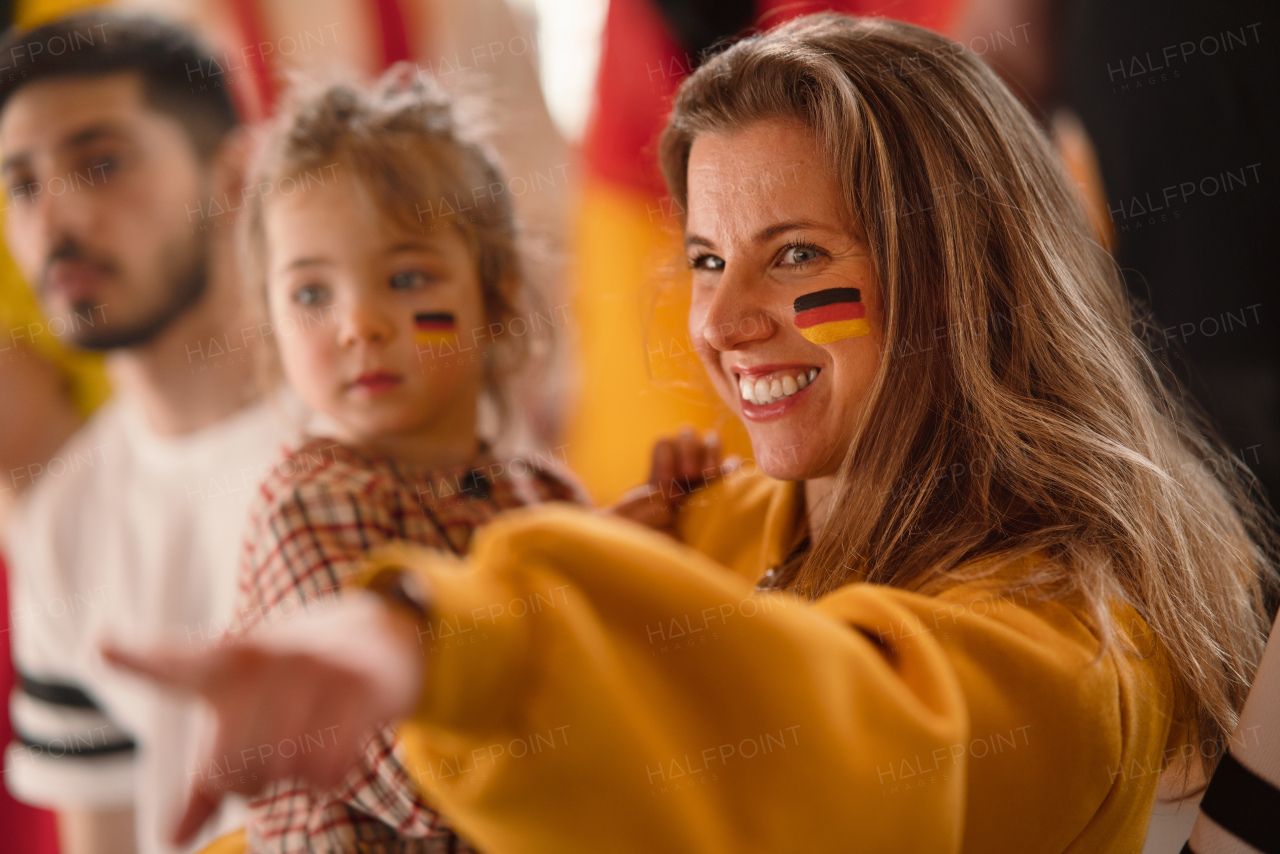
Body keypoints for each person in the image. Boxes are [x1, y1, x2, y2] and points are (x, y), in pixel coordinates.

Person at [108, 13, 1278, 852]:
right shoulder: (712, 517)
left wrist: (430, 647)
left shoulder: (1066, 637)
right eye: (708, 259)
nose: (715, 319)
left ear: (957, 280)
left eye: (797, 257)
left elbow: (811, 728)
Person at [221, 71, 591, 853]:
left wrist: (655, 528)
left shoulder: (544, 493)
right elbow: (425, 780)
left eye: (406, 279)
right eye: (312, 294)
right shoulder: (309, 508)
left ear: (494, 298)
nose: (359, 323)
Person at [0, 11, 299, 854]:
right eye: (21, 184)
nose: (53, 222)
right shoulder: (61, 520)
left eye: (101, 163)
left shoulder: (387, 435)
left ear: (236, 174)